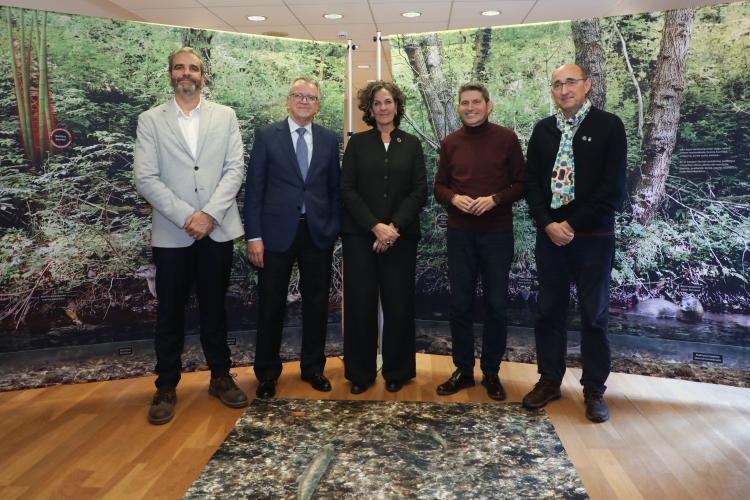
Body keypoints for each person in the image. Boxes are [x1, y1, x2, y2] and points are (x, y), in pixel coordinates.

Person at [134, 47, 248, 425]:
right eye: (180, 68)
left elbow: (234, 170)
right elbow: (145, 177)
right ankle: (166, 385)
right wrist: (188, 217)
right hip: (173, 233)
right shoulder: (151, 120)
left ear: (203, 75)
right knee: (169, 313)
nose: (187, 74)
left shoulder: (225, 116)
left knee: (216, 308)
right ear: (170, 74)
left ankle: (220, 376)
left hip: (217, 231)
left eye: (193, 68)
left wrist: (210, 215)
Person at [523, 64, 627, 423]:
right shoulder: (543, 130)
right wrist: (548, 223)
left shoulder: (609, 126)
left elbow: (612, 190)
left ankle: (594, 390)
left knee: (594, 316)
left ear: (587, 85)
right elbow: (532, 184)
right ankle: (549, 380)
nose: (564, 89)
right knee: (548, 311)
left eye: (570, 82)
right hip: (550, 237)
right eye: (557, 84)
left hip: (593, 238)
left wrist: (571, 223)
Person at [244, 77, 341, 399]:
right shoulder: (267, 136)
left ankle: (313, 368)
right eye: (299, 96)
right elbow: (254, 189)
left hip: (316, 233)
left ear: (318, 105)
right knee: (271, 305)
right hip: (274, 234)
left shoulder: (328, 139)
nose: (304, 101)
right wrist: (253, 236)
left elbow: (334, 189)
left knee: (316, 303)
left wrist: (333, 227)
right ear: (288, 101)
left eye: (311, 97)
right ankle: (268, 374)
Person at [433, 82, 525, 401]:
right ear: (458, 107)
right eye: (464, 103)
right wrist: (454, 199)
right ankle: (462, 370)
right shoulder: (450, 143)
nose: (470, 107)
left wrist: (495, 199)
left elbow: (521, 184)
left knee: (496, 305)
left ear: (489, 104)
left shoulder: (506, 139)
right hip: (460, 234)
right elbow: (439, 187)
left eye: (475, 102)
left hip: (497, 233)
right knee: (460, 304)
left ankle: (491, 372)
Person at [340, 81, 427, 394]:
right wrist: (375, 227)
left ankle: (397, 371)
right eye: (377, 103)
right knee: (360, 306)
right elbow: (347, 189)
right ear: (370, 109)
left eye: (388, 101)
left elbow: (419, 192)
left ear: (396, 105)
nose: (383, 107)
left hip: (401, 239)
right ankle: (360, 374)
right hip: (360, 237)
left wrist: (393, 229)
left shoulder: (412, 144)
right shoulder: (358, 143)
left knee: (398, 304)